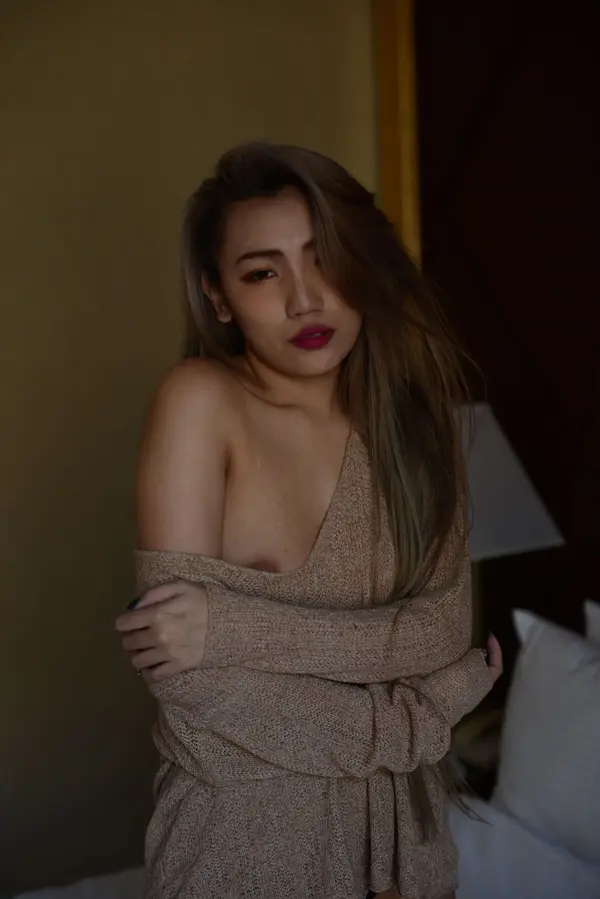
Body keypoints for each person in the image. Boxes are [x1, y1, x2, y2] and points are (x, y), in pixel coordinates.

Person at [115, 143, 502, 899]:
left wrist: (232, 626)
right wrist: (417, 720)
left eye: (326, 260)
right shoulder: (202, 402)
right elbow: (189, 679)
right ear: (218, 296)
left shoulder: (420, 425)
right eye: (263, 273)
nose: (305, 299)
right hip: (248, 848)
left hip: (414, 847)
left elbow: (440, 632)